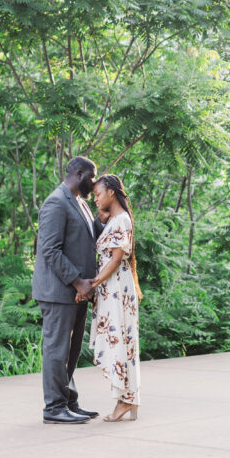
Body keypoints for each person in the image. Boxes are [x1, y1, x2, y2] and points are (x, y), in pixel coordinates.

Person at [32, 156, 103, 425]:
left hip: (79, 291)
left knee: (71, 350)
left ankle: (69, 401)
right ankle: (54, 407)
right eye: (93, 176)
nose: (94, 182)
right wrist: (78, 282)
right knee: (56, 349)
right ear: (80, 173)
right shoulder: (56, 202)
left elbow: (92, 237)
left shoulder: (80, 204)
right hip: (59, 291)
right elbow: (49, 249)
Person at [82, 173, 143, 422]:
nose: (95, 198)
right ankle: (127, 398)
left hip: (116, 287)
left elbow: (116, 258)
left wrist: (92, 283)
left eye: (98, 194)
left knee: (121, 341)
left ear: (111, 193)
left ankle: (126, 400)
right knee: (121, 341)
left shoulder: (122, 220)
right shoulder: (115, 219)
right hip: (112, 287)